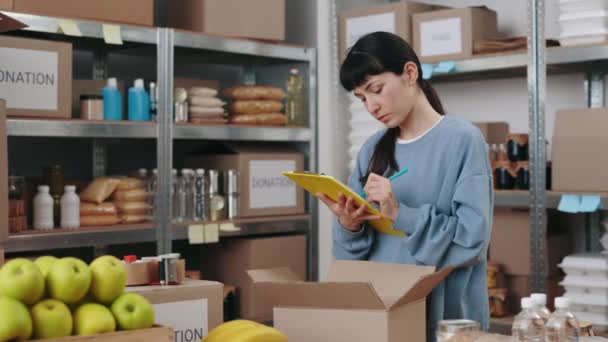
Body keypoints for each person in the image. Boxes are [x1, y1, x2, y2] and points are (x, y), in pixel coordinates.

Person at [318, 31, 493, 340]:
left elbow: (472, 241)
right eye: (362, 98)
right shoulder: (372, 150)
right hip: (386, 314)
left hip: (447, 322)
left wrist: (400, 213)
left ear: (410, 73)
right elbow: (350, 259)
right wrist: (349, 226)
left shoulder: (462, 140)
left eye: (376, 89)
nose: (371, 106)